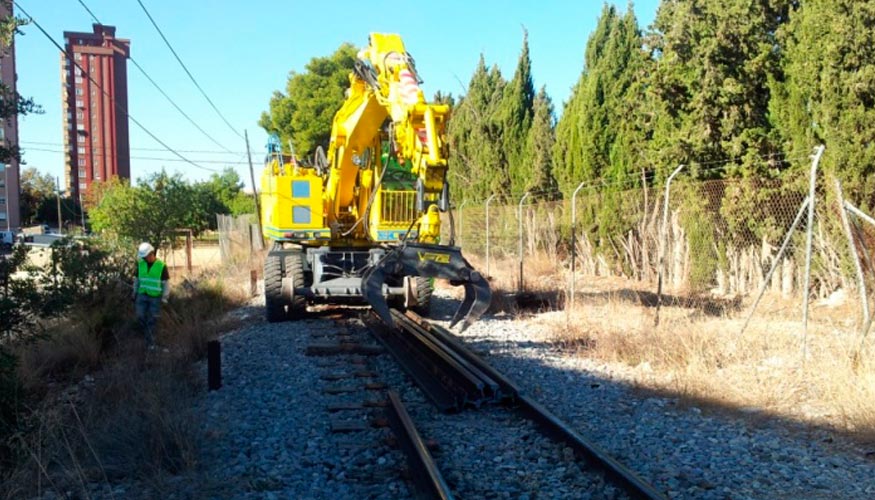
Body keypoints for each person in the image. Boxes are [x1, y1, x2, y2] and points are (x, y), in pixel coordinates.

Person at [133, 242, 170, 350]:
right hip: (142, 294)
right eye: (143, 257)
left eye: (145, 257)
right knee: (140, 316)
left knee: (153, 319)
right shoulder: (140, 264)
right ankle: (146, 337)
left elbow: (165, 283)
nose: (144, 259)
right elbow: (137, 280)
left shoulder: (161, 266)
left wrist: (164, 298)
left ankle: (151, 343)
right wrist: (134, 293)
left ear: (151, 254)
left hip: (155, 297)